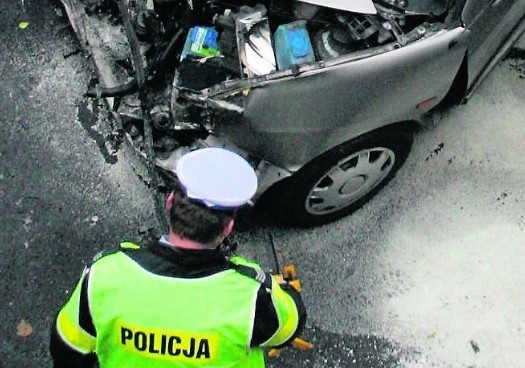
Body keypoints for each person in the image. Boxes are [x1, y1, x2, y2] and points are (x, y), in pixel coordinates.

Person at [50, 147, 307, 368]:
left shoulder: (103, 276)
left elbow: (67, 349)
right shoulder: (253, 296)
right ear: (228, 228)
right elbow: (290, 327)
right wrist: (281, 292)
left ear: (170, 202)